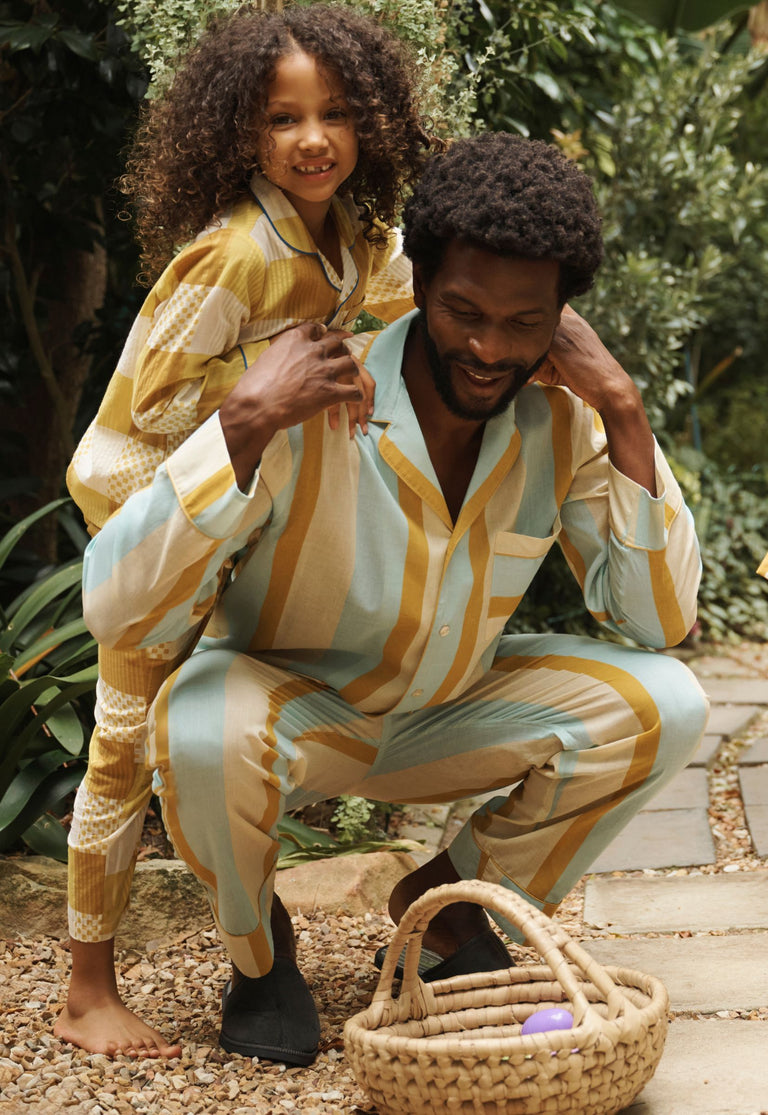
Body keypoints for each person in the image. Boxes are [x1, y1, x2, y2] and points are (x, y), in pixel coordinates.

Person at [80, 133, 709, 1066]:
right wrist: (245, 420)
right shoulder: (315, 394)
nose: (489, 348)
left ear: (563, 320)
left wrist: (621, 406)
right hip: (293, 709)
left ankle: (447, 909)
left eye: (524, 323)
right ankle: (260, 956)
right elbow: (120, 610)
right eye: (463, 311)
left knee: (669, 703)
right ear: (418, 283)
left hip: (450, 711)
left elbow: (658, 622)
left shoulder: (563, 415)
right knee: (201, 723)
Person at [58, 2, 437, 1058]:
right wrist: (277, 383)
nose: (310, 138)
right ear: (243, 135)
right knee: (125, 743)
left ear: (370, 123)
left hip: (246, 501)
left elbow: (422, 301)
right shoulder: (230, 256)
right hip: (152, 498)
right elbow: (147, 407)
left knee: (230, 714)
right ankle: (85, 990)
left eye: (333, 113)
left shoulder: (356, 236)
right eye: (282, 119)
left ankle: (255, 948)